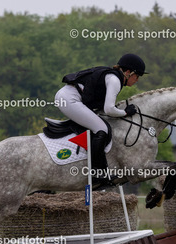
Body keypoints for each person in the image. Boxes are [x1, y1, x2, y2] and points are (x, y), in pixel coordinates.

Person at [54, 53, 146, 184]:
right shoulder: (115, 80)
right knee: (102, 129)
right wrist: (125, 112)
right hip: (70, 99)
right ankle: (98, 173)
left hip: (67, 97)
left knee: (99, 125)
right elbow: (109, 109)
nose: (137, 80)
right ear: (128, 72)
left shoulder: (112, 77)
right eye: (137, 76)